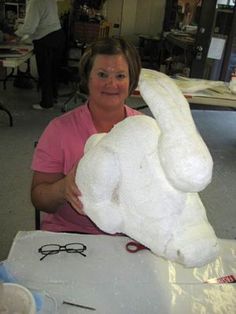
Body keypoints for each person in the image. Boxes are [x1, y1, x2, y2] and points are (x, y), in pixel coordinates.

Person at [31, 37, 142, 233]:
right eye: (101, 74)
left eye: (120, 76)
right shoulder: (59, 129)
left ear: (131, 80)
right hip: (71, 234)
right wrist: (62, 188)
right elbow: (39, 198)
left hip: (130, 236)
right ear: (87, 78)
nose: (111, 83)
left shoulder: (144, 130)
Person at [15, 0, 66, 110]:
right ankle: (53, 98)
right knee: (53, 71)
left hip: (46, 40)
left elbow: (29, 27)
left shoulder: (34, 2)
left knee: (45, 72)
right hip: (58, 35)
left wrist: (16, 33)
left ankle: (46, 103)